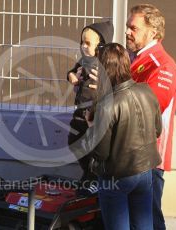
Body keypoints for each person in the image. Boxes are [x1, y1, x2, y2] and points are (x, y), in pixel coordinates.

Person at [85, 43, 162, 230]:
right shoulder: (146, 91)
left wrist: (90, 127)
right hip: (145, 171)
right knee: (144, 225)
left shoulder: (107, 104)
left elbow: (100, 152)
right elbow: (157, 130)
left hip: (117, 176)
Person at [126, 4, 176, 230]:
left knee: (148, 222)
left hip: (147, 160)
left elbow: (146, 111)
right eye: (128, 27)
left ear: (153, 32)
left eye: (133, 28)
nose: (128, 32)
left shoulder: (163, 66)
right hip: (127, 156)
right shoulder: (134, 58)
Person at [66, 20, 113, 195]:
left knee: (95, 147)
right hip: (80, 110)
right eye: (82, 42)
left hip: (96, 111)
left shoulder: (106, 63)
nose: (83, 47)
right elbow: (71, 71)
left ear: (101, 46)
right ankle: (88, 172)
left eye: (88, 43)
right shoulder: (83, 61)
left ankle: (93, 178)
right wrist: (71, 76)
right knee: (74, 141)